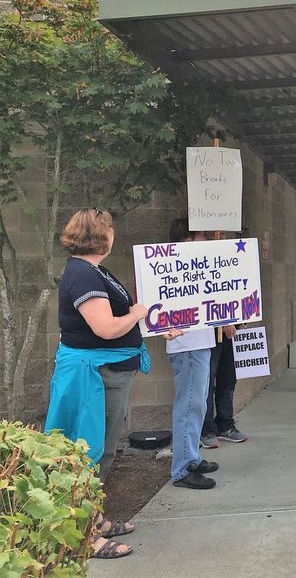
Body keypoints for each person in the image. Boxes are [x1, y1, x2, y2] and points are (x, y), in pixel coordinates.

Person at [44, 209, 149, 559]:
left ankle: (95, 517)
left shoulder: (91, 270)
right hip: (93, 378)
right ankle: (85, 535)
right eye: (109, 229)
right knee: (89, 452)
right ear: (101, 237)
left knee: (100, 449)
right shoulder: (84, 276)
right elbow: (105, 328)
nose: (113, 233)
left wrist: (150, 323)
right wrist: (137, 314)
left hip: (103, 374)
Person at [165, 219, 218, 489]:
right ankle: (183, 468)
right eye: (201, 237)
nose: (205, 241)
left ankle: (192, 457)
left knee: (198, 403)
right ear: (187, 241)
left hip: (199, 343)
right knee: (189, 404)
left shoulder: (196, 271)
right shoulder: (175, 271)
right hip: (187, 346)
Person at [200, 230, 248, 448]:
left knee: (228, 379)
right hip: (207, 336)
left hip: (228, 336)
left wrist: (241, 317)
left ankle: (225, 424)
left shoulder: (229, 265)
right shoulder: (200, 265)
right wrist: (223, 321)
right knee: (207, 383)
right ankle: (207, 429)